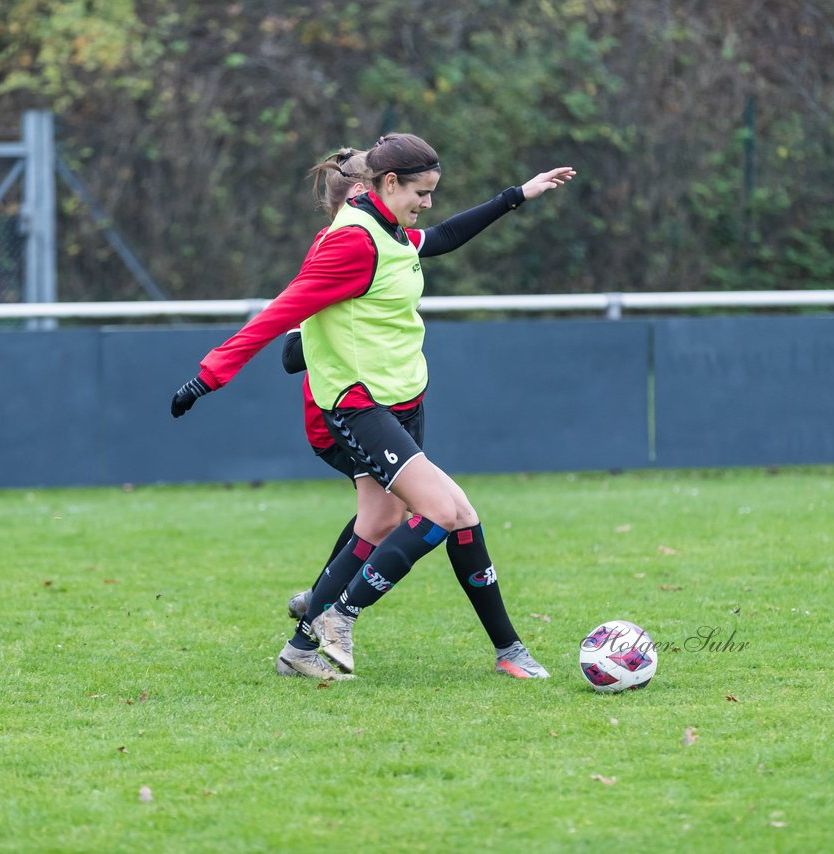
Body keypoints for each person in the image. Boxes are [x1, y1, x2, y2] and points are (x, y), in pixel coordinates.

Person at [171, 133, 576, 679]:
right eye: (422, 192)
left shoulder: (390, 229)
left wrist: (517, 195)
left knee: (409, 517)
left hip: (401, 399)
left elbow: (440, 236)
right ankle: (339, 615)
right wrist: (209, 375)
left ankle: (307, 644)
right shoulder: (351, 242)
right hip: (360, 406)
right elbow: (284, 314)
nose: (428, 203)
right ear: (387, 183)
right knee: (440, 513)